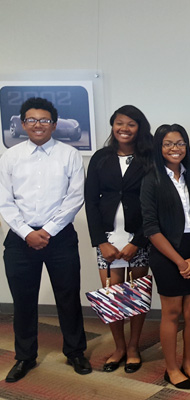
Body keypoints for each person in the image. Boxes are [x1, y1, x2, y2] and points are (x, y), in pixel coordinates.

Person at [0, 97, 90, 382]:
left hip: (60, 238)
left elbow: (75, 198)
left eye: (45, 120)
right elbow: (4, 200)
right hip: (19, 239)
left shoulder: (69, 155)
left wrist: (47, 231)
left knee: (68, 297)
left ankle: (75, 351)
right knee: (23, 301)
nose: (38, 125)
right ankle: (25, 357)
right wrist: (27, 232)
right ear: (23, 123)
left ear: (55, 124)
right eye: (32, 120)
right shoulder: (10, 157)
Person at [84, 105, 153, 373]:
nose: (124, 128)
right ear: (113, 126)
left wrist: (138, 241)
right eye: (119, 123)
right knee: (113, 296)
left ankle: (134, 347)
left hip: (139, 239)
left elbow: (153, 203)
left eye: (131, 124)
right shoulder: (101, 157)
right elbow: (90, 202)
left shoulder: (149, 159)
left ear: (139, 128)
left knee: (136, 296)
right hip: (107, 239)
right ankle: (119, 347)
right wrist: (100, 241)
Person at [140, 124, 190, 390]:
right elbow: (151, 228)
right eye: (168, 144)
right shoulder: (152, 178)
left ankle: (189, 363)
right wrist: (180, 262)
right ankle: (171, 368)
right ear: (159, 148)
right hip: (166, 252)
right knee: (171, 313)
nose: (175, 149)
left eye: (180, 143)